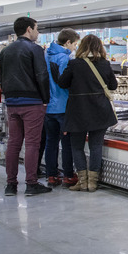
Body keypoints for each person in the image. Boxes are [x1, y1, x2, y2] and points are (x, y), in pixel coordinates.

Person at [58, 34, 118, 192]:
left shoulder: (74, 64)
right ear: (100, 47)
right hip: (100, 110)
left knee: (76, 147)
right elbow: (113, 85)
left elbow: (62, 83)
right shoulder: (104, 64)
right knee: (96, 146)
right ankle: (93, 183)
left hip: (78, 111)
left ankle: (82, 181)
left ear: (82, 46)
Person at [0, 17, 52, 196]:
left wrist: (8, 96)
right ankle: (31, 183)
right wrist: (46, 99)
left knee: (13, 143)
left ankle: (10, 185)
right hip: (32, 102)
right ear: (29, 29)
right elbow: (42, 75)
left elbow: (1, 76)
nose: (38, 33)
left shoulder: (5, 51)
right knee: (32, 144)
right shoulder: (34, 49)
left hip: (12, 103)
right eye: (37, 29)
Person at [44, 28, 81, 187]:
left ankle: (51, 175)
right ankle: (68, 175)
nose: (75, 48)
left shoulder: (46, 55)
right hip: (63, 106)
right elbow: (65, 82)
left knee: (50, 142)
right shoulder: (64, 58)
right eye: (74, 44)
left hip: (48, 107)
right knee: (67, 143)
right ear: (67, 42)